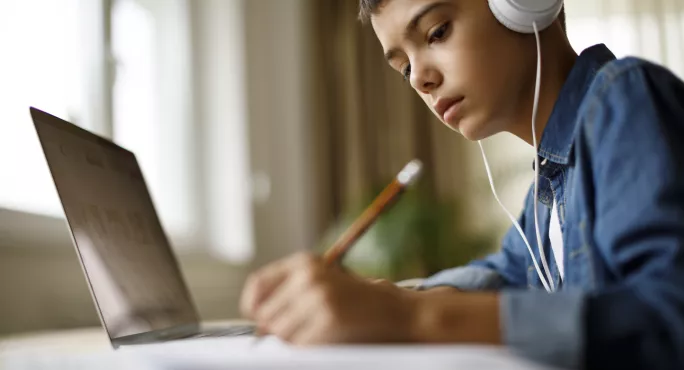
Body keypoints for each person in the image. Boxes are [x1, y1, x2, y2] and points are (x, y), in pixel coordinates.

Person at [240, 1, 684, 369]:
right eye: (403, 67)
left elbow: (669, 318)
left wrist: (410, 316)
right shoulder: (551, 184)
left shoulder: (624, 100)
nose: (419, 78)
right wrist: (382, 298)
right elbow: (501, 275)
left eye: (436, 32)